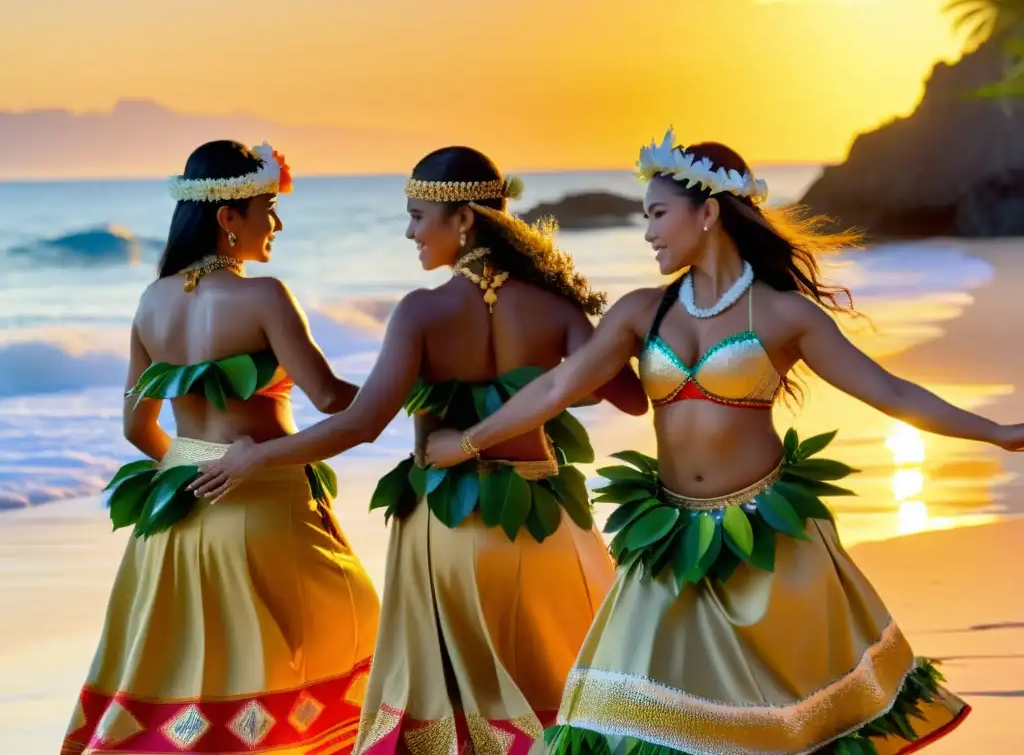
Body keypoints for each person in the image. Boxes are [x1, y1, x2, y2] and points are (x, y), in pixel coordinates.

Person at [420, 129, 1015, 754]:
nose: (647, 231)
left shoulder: (784, 315)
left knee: (783, 728)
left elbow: (890, 393)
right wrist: (468, 443)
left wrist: (996, 432)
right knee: (621, 718)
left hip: (770, 543)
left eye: (657, 214)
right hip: (671, 541)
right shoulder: (640, 312)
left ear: (707, 213)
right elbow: (557, 388)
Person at [187, 145, 649, 754]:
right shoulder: (552, 303)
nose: (409, 232)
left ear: (463, 221)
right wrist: (548, 378)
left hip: (450, 524)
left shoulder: (421, 312)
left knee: (457, 721)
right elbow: (628, 397)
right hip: (547, 520)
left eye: (417, 216)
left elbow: (360, 424)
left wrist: (257, 456)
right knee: (563, 694)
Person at [61, 141, 380, 755]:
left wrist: (195, 469)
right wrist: (413, 380)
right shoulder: (264, 297)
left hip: (177, 511)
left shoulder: (151, 302)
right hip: (266, 502)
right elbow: (333, 399)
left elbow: (136, 427)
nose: (277, 224)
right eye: (268, 207)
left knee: (197, 677)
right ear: (227, 218)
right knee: (355, 628)